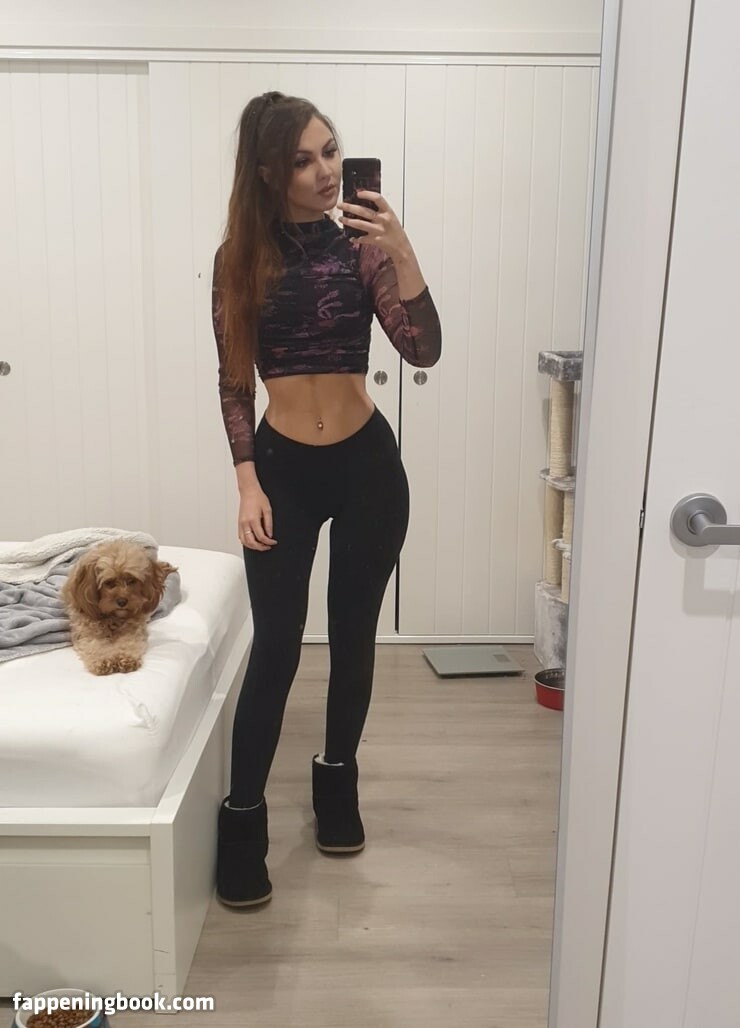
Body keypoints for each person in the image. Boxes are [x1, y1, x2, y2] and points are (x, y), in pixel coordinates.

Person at [211, 91, 442, 907]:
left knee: (353, 638)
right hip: (282, 471)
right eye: (304, 159)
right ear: (268, 171)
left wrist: (402, 251)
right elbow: (234, 382)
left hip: (367, 465)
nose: (325, 171)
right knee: (276, 648)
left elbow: (421, 349)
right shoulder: (239, 258)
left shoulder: (362, 249)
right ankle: (243, 820)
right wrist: (247, 482)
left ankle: (336, 781)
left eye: (331, 152)